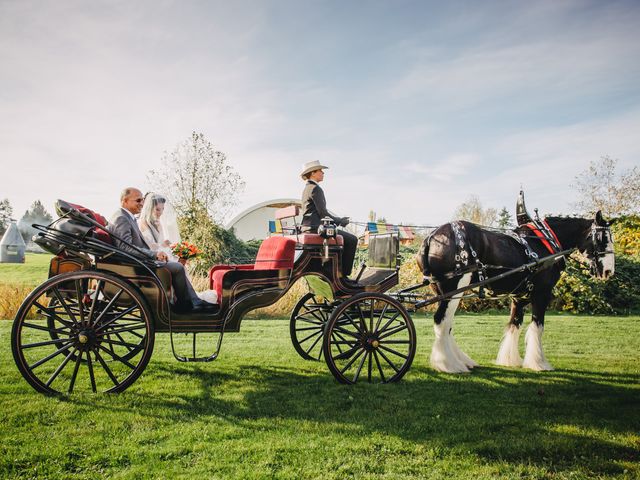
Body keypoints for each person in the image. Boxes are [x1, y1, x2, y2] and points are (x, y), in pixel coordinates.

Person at [107, 187, 213, 313]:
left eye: (142, 200)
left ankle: (191, 301)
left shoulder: (127, 217)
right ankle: (186, 305)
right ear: (125, 200)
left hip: (139, 261)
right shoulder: (121, 218)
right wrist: (154, 254)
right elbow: (125, 247)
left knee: (177, 266)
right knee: (178, 267)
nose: (142, 203)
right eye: (138, 200)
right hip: (136, 264)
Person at [300, 160, 358, 278]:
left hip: (308, 227)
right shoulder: (315, 188)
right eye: (320, 170)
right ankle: (344, 275)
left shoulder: (307, 188)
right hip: (315, 228)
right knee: (352, 240)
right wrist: (340, 221)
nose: (323, 173)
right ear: (312, 173)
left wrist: (338, 220)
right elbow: (323, 213)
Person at [138, 193, 179, 262]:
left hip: (163, 254)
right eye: (157, 209)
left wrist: (165, 243)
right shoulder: (142, 223)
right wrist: (162, 245)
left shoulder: (159, 223)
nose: (161, 212)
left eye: (162, 209)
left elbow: (160, 242)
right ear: (150, 208)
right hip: (152, 257)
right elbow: (148, 246)